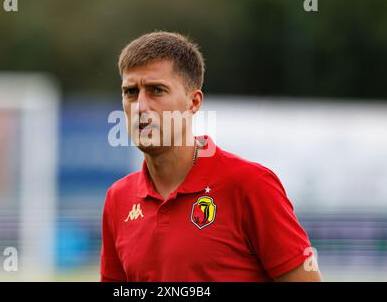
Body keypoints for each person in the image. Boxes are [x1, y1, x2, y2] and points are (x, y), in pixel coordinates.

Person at [100, 31, 322, 282]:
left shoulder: (250, 184)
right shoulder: (118, 199)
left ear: (193, 103)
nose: (140, 106)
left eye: (156, 90)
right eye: (130, 92)